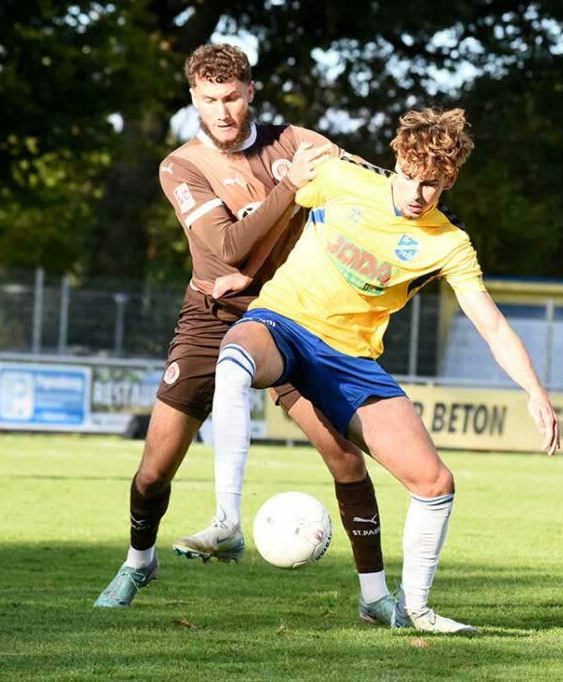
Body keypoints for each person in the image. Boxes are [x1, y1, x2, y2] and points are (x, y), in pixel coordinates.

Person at [182, 108, 560, 634]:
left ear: (449, 180)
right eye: (409, 176)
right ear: (396, 162)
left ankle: (415, 610)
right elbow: (281, 214)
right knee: (234, 358)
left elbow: (491, 325)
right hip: (285, 322)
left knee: (434, 482)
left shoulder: (449, 243)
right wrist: (240, 275)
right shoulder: (340, 179)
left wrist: (535, 391)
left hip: (352, 360)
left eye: (431, 184)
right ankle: (226, 522)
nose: (416, 193)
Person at [94, 45, 394, 625]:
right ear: (193, 101)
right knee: (156, 466)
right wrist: (289, 193)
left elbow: (371, 189)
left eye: (231, 97)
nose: (223, 111)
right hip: (214, 314)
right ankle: (138, 561)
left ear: (250, 91)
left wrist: (405, 186)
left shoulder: (295, 143)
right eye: (209, 100)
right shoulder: (180, 166)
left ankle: (376, 597)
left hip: (294, 316)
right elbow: (226, 248)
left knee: (345, 457)